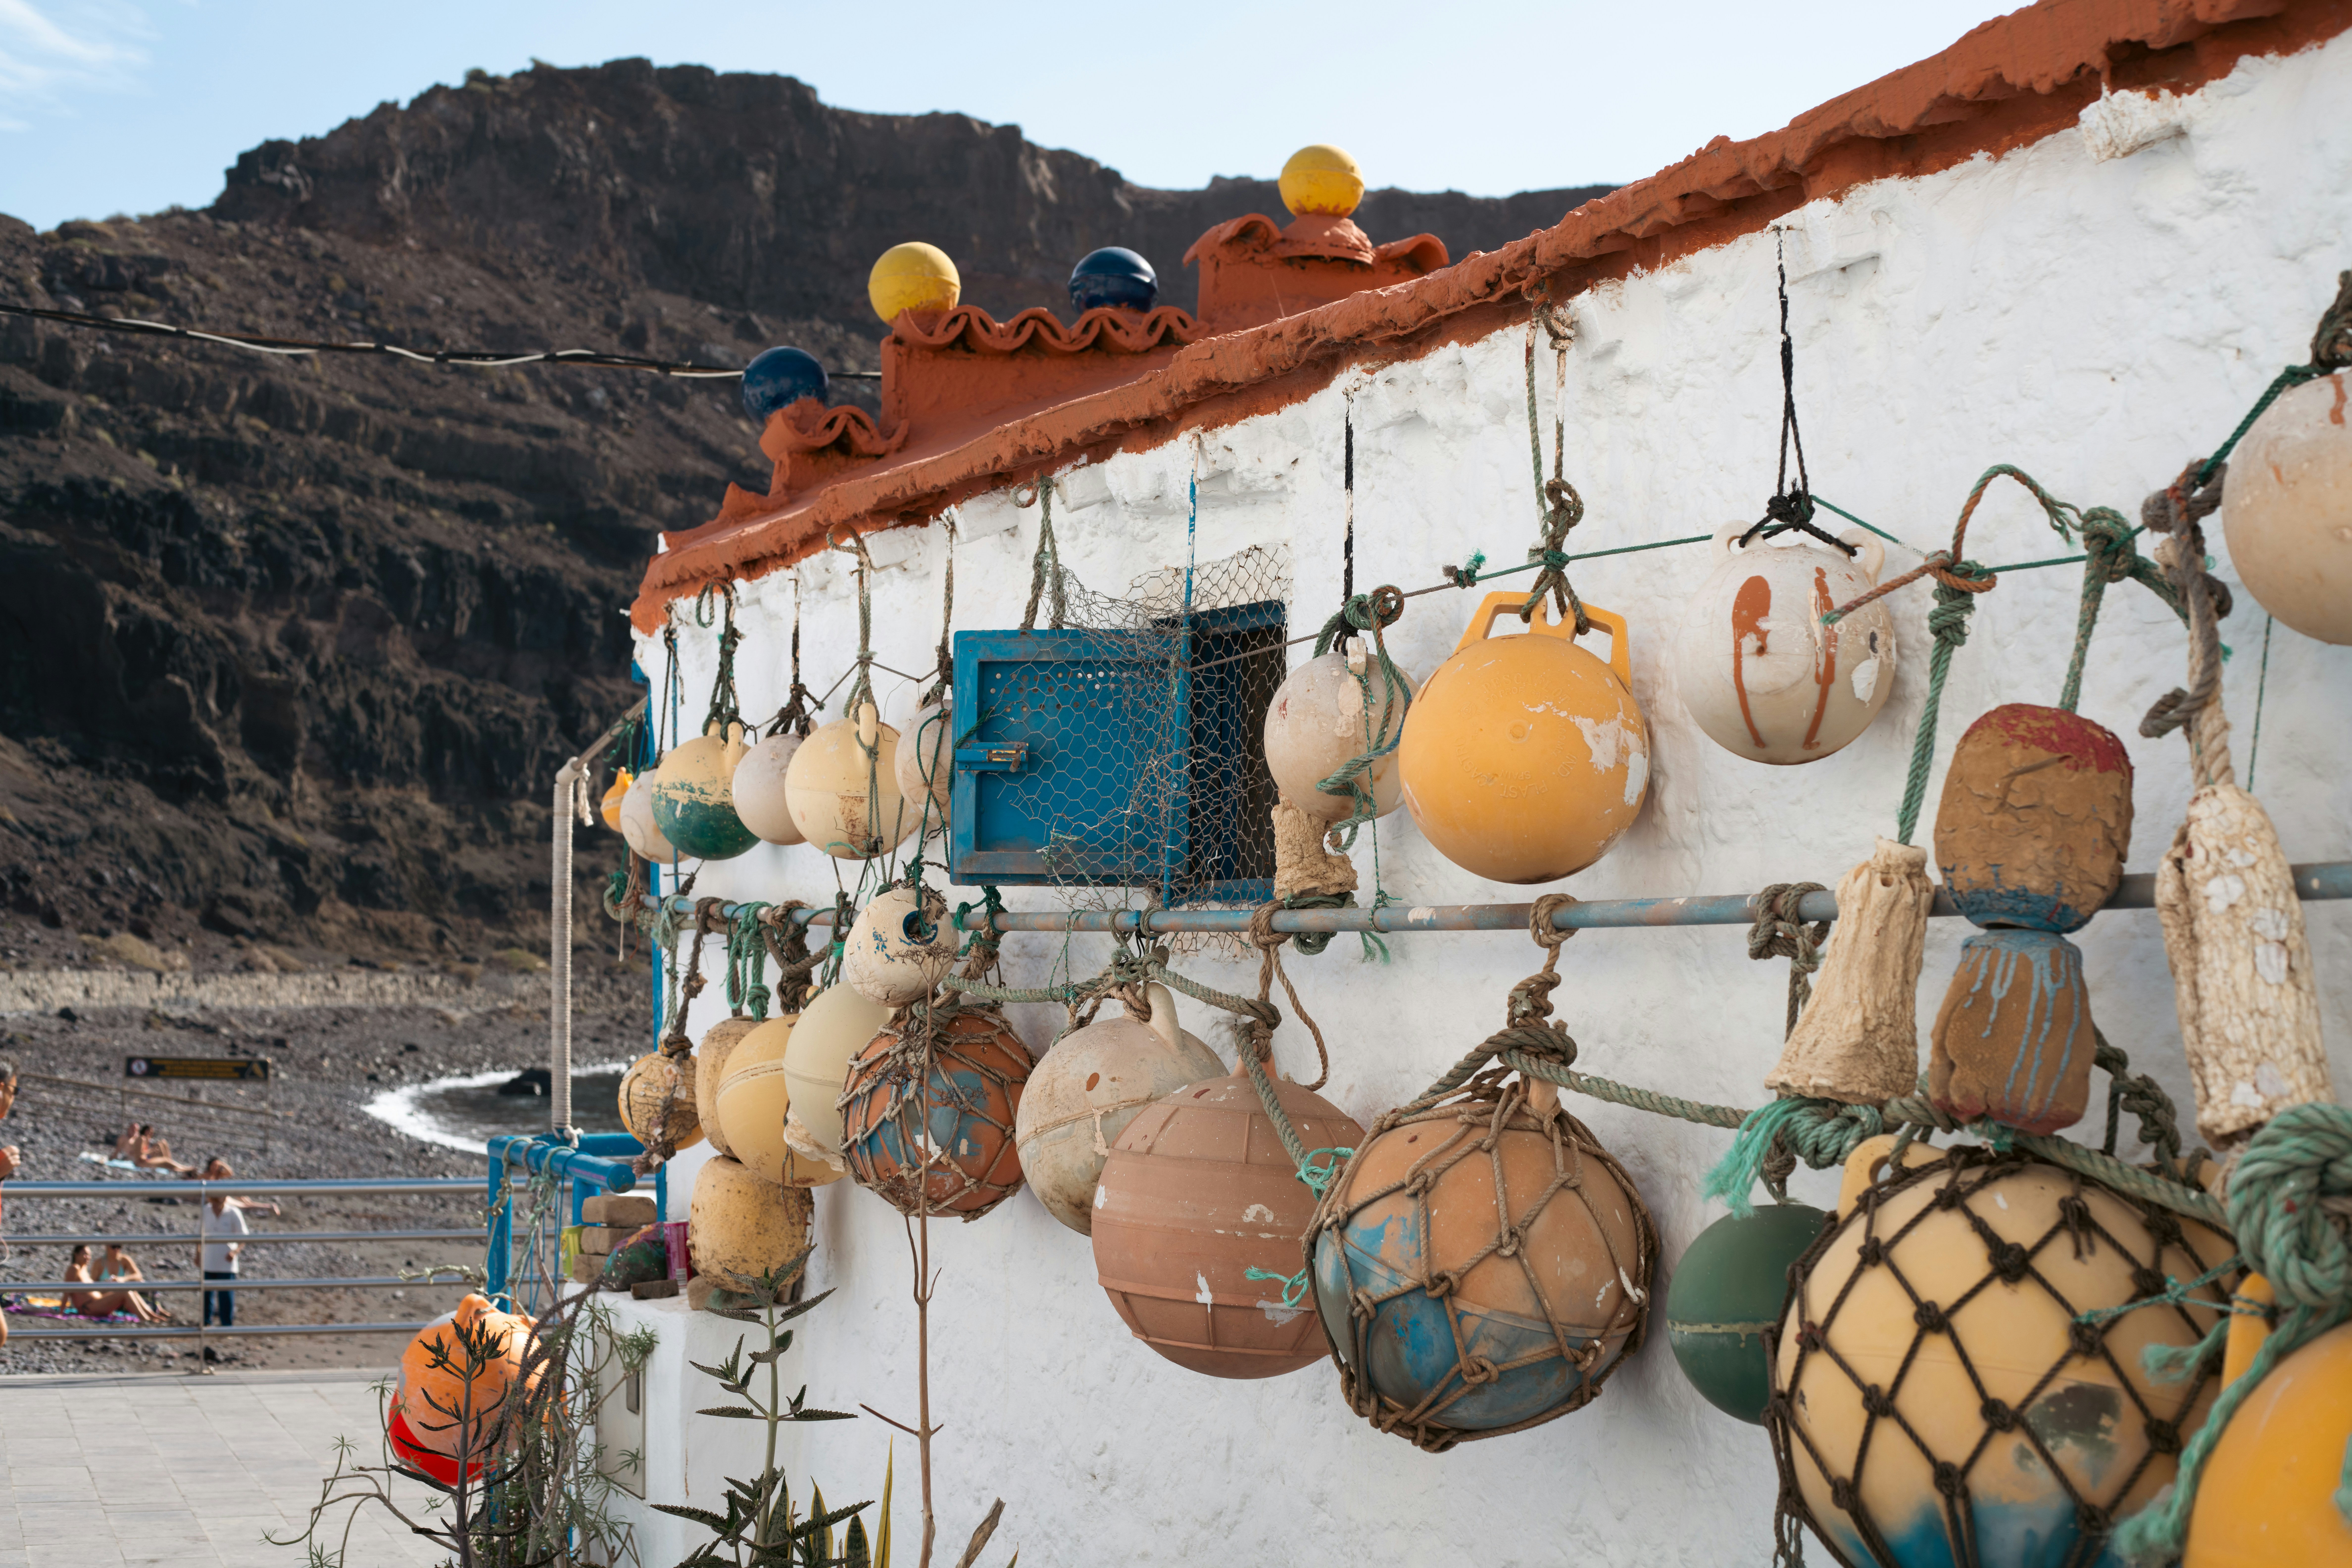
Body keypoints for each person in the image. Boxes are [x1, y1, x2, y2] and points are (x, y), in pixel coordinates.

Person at [198, 1157, 252, 1328]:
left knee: (226, 1296)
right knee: (207, 1295)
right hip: (209, 1260)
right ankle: (206, 1324)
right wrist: (198, 1254)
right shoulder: (206, 1211)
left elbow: (244, 1237)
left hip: (226, 1262)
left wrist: (235, 1252)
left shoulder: (234, 1212)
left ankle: (226, 1325)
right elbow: (198, 1235)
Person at [63, 1243, 165, 1324]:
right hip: (88, 1308)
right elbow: (67, 1292)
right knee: (124, 1292)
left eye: (89, 1255)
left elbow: (138, 1276)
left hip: (97, 1303)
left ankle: (152, 1316)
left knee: (129, 1290)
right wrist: (61, 1313)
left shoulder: (84, 1269)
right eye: (85, 1255)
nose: (88, 1257)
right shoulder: (74, 1269)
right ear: (76, 1255)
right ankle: (145, 1319)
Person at [129, 1125, 193, 1175]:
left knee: (162, 1143)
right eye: (151, 1133)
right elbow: (141, 1156)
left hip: (144, 1161)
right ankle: (185, 1170)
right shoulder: (142, 1139)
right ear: (146, 1132)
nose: (152, 1135)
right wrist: (153, 1151)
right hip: (141, 1163)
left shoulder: (144, 1139)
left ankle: (184, 1168)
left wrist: (153, 1152)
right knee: (166, 1161)